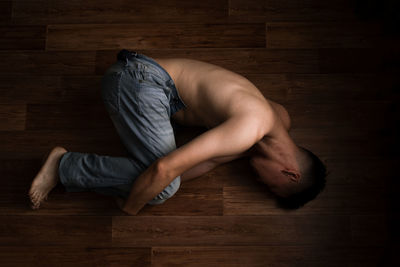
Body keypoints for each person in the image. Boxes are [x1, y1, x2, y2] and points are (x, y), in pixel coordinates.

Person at [28, 49, 326, 213]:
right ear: (291, 173)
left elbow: (209, 160)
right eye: (271, 185)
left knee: (163, 183)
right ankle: (63, 166)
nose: (260, 181)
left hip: (149, 85)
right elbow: (165, 168)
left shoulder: (277, 120)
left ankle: (71, 168)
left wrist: (154, 182)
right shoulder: (250, 128)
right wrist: (133, 204)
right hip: (138, 83)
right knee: (162, 188)